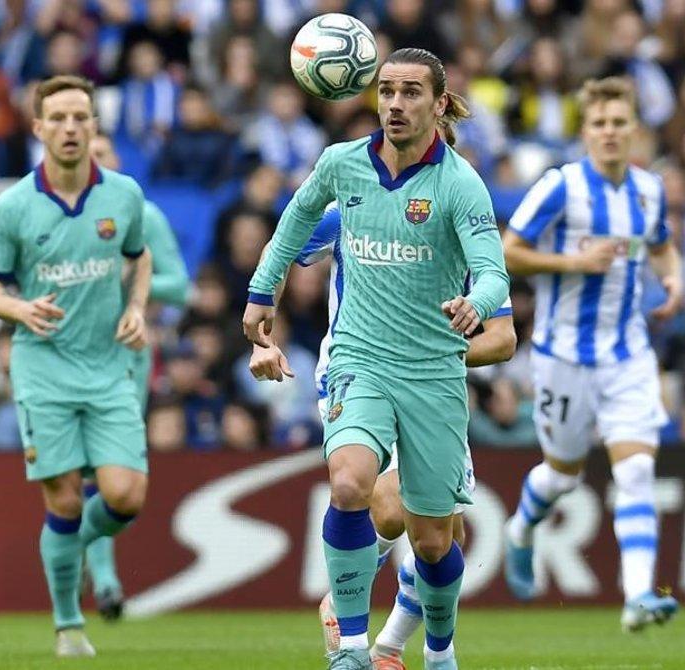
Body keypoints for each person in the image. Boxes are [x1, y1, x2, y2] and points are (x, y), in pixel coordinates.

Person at [242, 48, 510, 670]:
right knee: (352, 485)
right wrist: (261, 312)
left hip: (434, 370)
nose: (395, 104)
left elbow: (496, 286)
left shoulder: (460, 185)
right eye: (386, 91)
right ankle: (356, 647)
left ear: (439, 104)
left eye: (411, 92)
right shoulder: (344, 172)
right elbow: (287, 233)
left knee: (436, 538)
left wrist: (478, 302)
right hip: (357, 358)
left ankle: (437, 653)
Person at [0, 75, 153, 658]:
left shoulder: (123, 194)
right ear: (38, 129)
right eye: (59, 118)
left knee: (125, 496)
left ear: (95, 125)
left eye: (81, 117)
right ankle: (68, 624)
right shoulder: (14, 207)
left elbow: (140, 254)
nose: (71, 128)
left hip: (107, 365)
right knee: (65, 503)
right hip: (44, 367)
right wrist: (19, 307)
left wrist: (135, 307)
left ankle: (70, 547)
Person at [499, 76, 684, 632]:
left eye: (618, 123)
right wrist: (572, 264)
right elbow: (508, 252)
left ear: (634, 129)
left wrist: (671, 280)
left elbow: (661, 244)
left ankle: (637, 597)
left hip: (628, 355)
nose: (609, 133)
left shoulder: (650, 191)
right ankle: (519, 532)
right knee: (564, 477)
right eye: (599, 123)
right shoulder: (561, 187)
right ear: (585, 131)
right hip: (561, 358)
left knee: (636, 471)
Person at [79, 131, 190, 620]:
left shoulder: (143, 217)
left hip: (125, 357)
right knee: (82, 472)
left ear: (117, 162)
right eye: (85, 155)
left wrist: (127, 281)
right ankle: (99, 575)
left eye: (101, 154)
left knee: (111, 475)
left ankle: (92, 564)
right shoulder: (57, 220)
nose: (93, 162)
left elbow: (180, 285)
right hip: (66, 356)